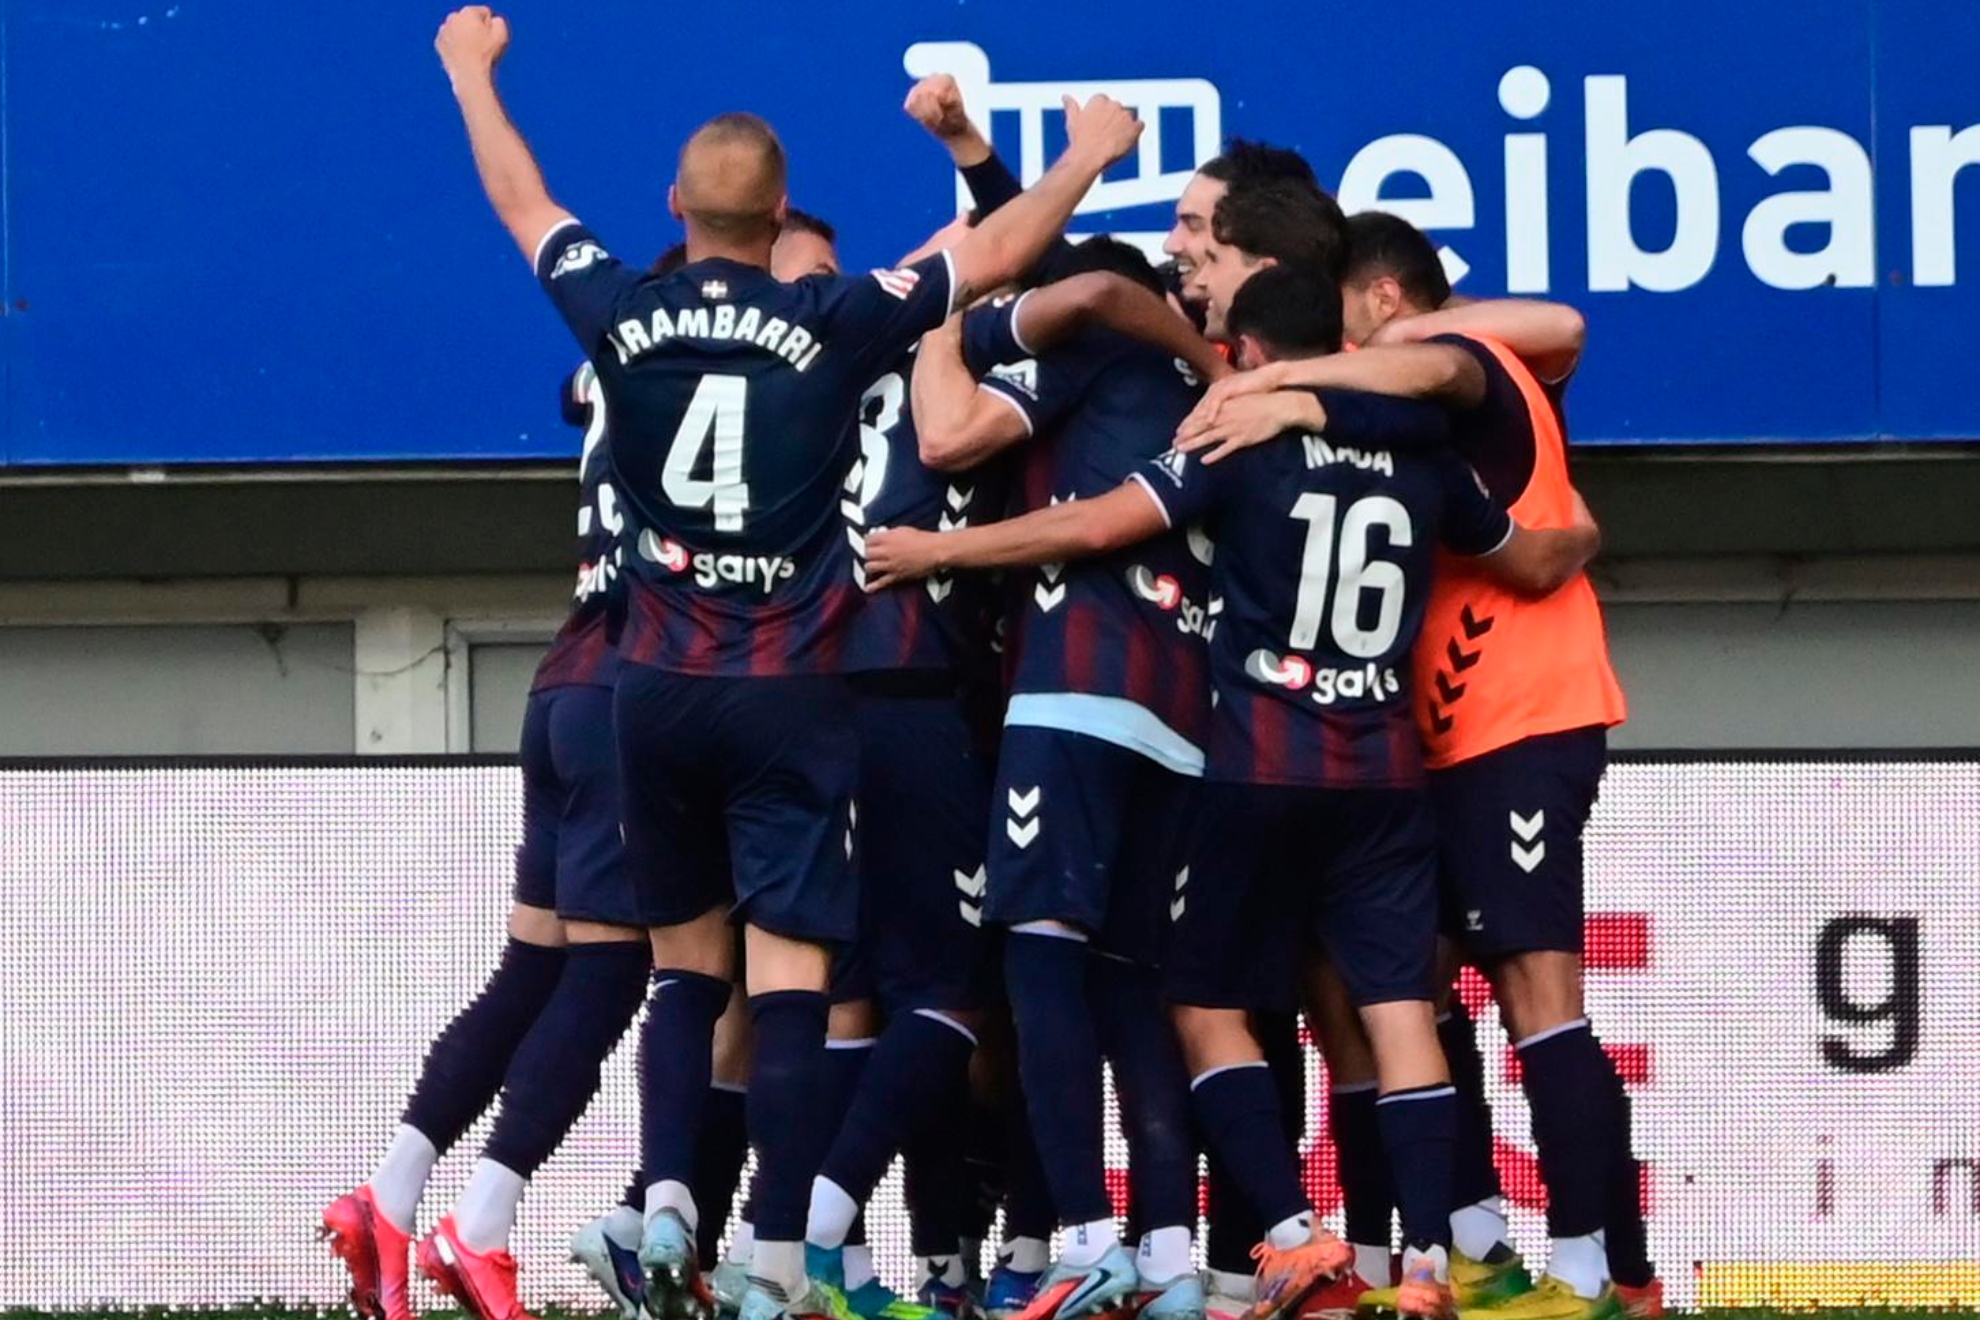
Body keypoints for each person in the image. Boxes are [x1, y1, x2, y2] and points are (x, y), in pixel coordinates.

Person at [424, 9, 1146, 1320]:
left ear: (674, 208)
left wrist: (470, 73)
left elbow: (519, 196)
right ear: (775, 229)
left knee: (685, 964)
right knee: (796, 974)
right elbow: (994, 251)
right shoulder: (833, 322)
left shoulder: (621, 309)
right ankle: (772, 1256)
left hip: (651, 685)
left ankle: (665, 1198)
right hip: (791, 689)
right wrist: (1086, 154)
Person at [862, 266, 1601, 1320]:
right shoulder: (1425, 451)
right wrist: (1581, 538)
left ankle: (1296, 1237)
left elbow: (1099, 524)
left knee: (1204, 1008)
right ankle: (1432, 1263)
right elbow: (1525, 556)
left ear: (1248, 353)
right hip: (1385, 775)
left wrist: (945, 549)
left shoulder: (1239, 437)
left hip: (1257, 765)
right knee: (1400, 1013)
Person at [1180, 214, 1652, 1320]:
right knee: (1412, 994)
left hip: (1519, 721)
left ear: (1382, 304)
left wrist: (1301, 390)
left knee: (1540, 992)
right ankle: (1470, 1246)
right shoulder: (1411, 428)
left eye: (1345, 318)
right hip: (1422, 740)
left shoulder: (1457, 365)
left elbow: (1476, 349)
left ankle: (1603, 1275)